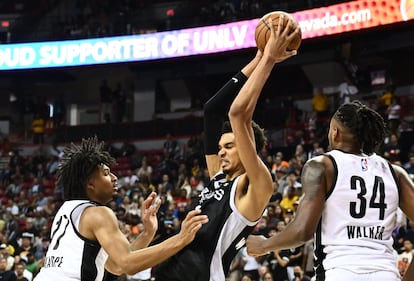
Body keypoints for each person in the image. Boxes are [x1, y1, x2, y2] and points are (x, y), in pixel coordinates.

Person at [153, 15, 299, 281]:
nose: (220, 152)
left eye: (230, 146)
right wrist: (256, 59)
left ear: (247, 147)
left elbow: (238, 114)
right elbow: (211, 111)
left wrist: (269, 59)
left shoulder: (255, 187)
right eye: (220, 147)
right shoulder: (218, 176)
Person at [247, 100, 414, 281]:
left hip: (339, 271)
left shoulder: (322, 166)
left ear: (335, 133)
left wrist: (264, 244)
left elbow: (303, 231)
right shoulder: (395, 173)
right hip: (386, 273)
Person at [33, 136, 208, 281]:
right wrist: (181, 239)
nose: (115, 177)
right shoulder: (98, 213)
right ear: (90, 184)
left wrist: (148, 232)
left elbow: (114, 266)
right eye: (107, 173)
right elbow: (128, 264)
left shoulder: (67, 209)